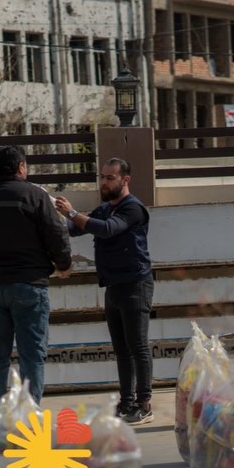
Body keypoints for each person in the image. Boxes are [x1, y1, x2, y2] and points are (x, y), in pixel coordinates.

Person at [0, 145, 72, 418]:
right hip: (29, 284)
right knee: (31, 355)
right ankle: (29, 416)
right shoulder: (35, 196)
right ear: (21, 167)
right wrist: (63, 264)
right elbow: (56, 233)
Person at [54, 157, 154, 425]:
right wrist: (53, 214)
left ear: (125, 180)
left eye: (110, 178)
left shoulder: (133, 209)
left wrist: (72, 213)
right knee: (121, 349)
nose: (104, 182)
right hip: (113, 286)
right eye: (102, 177)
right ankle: (126, 402)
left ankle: (144, 404)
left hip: (135, 284)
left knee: (138, 346)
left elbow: (109, 230)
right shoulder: (104, 209)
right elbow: (74, 229)